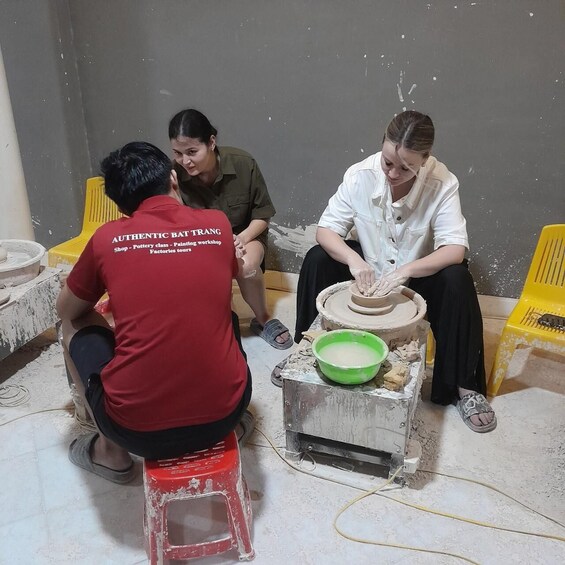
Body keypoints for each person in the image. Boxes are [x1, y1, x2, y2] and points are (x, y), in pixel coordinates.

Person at [274, 110, 496, 433]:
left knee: (457, 278)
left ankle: (465, 387)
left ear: (425, 158)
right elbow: (326, 230)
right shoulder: (360, 175)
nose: (392, 173)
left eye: (405, 167)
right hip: (371, 263)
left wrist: (407, 271)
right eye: (388, 162)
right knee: (317, 258)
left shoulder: (442, 182)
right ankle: (304, 351)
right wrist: (354, 260)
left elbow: (454, 249)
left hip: (417, 269)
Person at [57, 141, 255, 484]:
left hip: (135, 433)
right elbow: (238, 272)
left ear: (121, 206)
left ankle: (111, 453)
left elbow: (67, 309)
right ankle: (232, 430)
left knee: (72, 327)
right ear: (173, 180)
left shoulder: (107, 238)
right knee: (226, 314)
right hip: (225, 414)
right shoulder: (217, 223)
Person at [168, 109, 292, 350]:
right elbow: (176, 223)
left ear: (211, 142)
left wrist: (239, 239)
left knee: (245, 269)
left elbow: (262, 215)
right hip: (201, 242)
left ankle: (263, 318)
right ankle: (219, 320)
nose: (185, 161)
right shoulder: (174, 176)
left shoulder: (243, 164)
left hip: (246, 235)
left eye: (192, 152)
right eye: (178, 153)